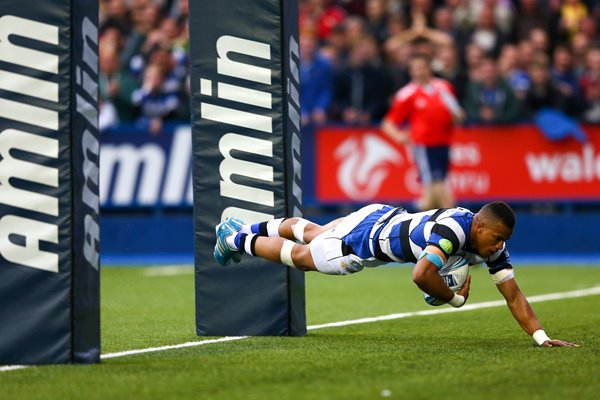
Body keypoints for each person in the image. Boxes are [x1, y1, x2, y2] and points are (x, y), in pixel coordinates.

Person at [213, 202, 578, 348]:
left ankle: (242, 226)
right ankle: (233, 237)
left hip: (381, 214)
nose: (498, 246)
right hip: (366, 241)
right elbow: (421, 276)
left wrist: (541, 338)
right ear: (480, 225)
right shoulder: (454, 233)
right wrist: (454, 298)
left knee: (313, 231)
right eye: (497, 237)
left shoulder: (488, 243)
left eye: (504, 241)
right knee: (304, 257)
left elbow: (512, 294)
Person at [381, 53, 463, 211]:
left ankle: (425, 220)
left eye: (422, 67)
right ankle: (449, 215)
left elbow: (456, 113)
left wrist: (457, 116)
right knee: (436, 184)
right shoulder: (407, 94)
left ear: (429, 68)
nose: (419, 72)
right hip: (423, 145)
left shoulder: (443, 87)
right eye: (415, 68)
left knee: (433, 188)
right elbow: (388, 123)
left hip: (443, 142)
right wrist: (399, 136)